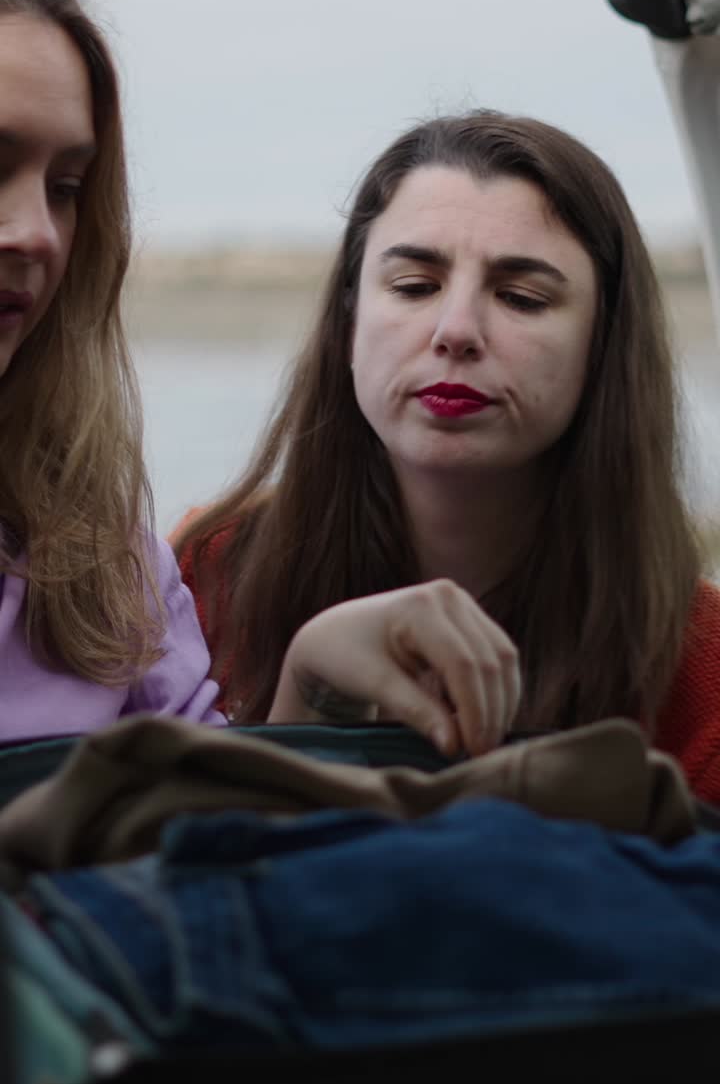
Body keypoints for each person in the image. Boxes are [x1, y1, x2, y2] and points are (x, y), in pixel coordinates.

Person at [174, 109, 720, 804]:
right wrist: (307, 701)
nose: (455, 330)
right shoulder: (205, 577)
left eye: (521, 297)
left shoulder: (702, 674)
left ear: (604, 347)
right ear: (349, 321)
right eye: (414, 287)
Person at [0, 0, 223, 739]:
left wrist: (319, 694)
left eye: (66, 188)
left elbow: (218, 827)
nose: (37, 234)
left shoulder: (101, 563)